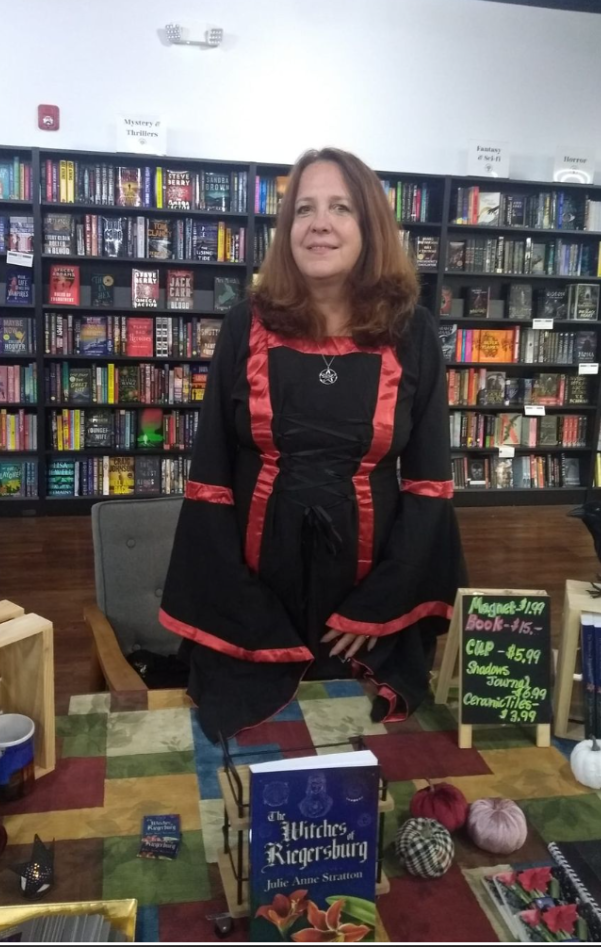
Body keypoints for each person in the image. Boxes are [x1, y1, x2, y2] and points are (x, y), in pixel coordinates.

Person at [159, 148, 467, 742]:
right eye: (304, 209)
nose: (319, 223)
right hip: (256, 597)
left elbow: (429, 482)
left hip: (368, 603)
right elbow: (211, 477)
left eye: (340, 207)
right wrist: (244, 608)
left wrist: (383, 604)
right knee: (255, 752)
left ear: (370, 226)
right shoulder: (244, 324)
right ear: (286, 229)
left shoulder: (414, 331)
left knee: (366, 750)